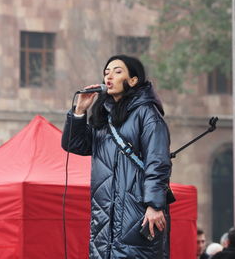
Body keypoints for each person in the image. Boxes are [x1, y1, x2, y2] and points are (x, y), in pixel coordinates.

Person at [61, 55, 172, 258]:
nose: (109, 76)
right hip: (104, 221)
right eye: (106, 72)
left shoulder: (147, 114)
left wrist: (154, 205)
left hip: (137, 214)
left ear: (133, 80)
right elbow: (74, 144)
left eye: (117, 71)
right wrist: (79, 111)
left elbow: (158, 161)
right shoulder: (104, 119)